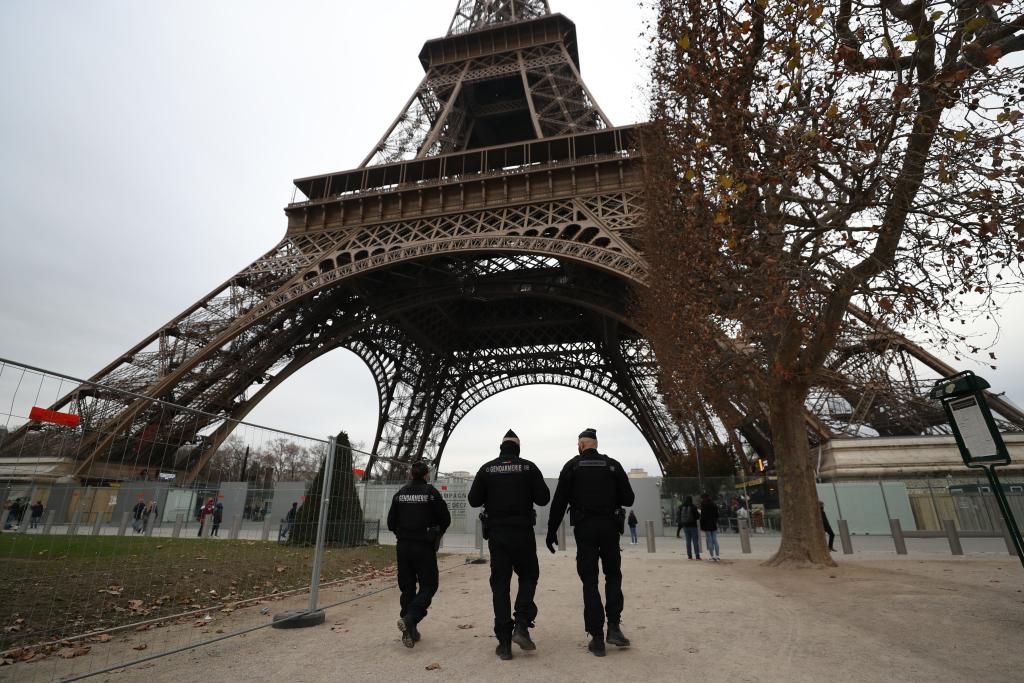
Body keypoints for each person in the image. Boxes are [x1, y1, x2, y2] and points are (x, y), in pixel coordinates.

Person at [546, 428, 635, 657]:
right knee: (613, 575)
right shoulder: (613, 465)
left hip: (585, 528)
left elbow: (559, 502)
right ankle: (614, 627)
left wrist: (551, 531)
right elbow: (628, 498)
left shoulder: (572, 466)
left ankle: (596, 637)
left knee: (590, 581)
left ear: (582, 445)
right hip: (610, 527)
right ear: (595, 444)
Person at [467, 429, 550, 660]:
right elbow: (543, 498)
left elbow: (473, 500)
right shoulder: (529, 467)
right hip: (523, 533)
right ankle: (521, 624)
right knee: (529, 576)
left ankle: (504, 643)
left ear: (501, 448)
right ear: (518, 449)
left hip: (497, 535)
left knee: (500, 585)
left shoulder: (487, 469)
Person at [387, 461, 451, 648]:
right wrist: (436, 533)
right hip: (424, 546)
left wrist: (402, 533)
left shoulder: (400, 494)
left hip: (403, 546)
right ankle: (411, 618)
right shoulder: (431, 493)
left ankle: (410, 628)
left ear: (410, 475)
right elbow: (445, 519)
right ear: (426, 475)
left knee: (407, 588)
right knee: (429, 586)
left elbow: (391, 523)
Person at [699, 493, 720, 562]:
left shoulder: (703, 505)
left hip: (706, 524)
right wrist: (715, 521)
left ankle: (712, 556)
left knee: (709, 540)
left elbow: (702, 516)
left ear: (703, 498)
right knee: (715, 539)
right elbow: (717, 514)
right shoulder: (714, 504)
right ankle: (717, 556)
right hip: (713, 523)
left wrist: (702, 525)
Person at [680, 495, 701, 560]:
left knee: (688, 541)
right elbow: (697, 516)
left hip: (685, 526)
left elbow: (679, 515)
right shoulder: (693, 507)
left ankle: (689, 556)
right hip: (693, 526)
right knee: (695, 541)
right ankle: (697, 556)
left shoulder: (681, 507)